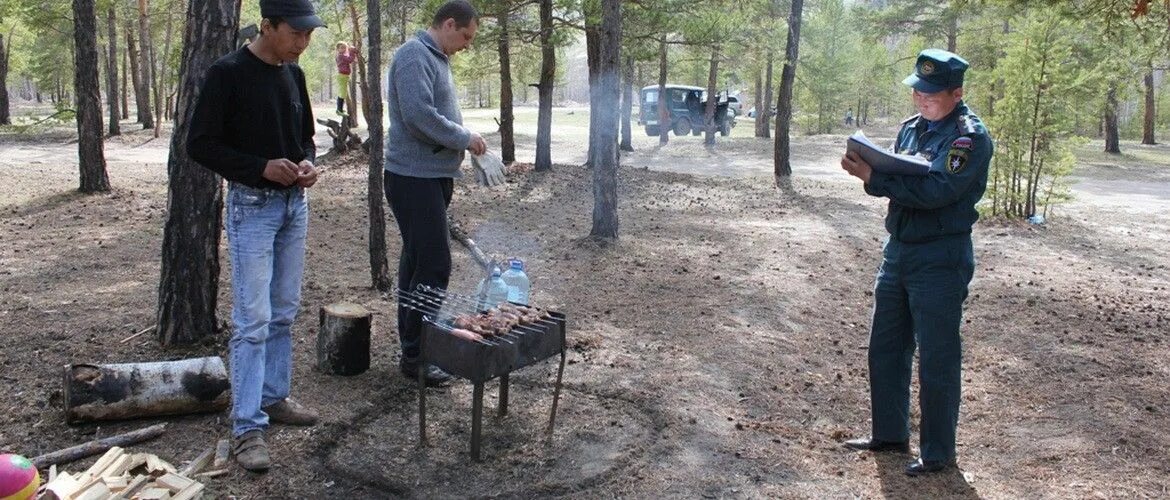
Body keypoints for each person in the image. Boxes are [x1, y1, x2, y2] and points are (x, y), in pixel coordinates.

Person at [839, 48, 993, 476]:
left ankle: (938, 452)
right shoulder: (912, 129)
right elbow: (895, 181)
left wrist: (875, 177)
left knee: (937, 356)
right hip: (899, 250)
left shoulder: (969, 138)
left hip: (941, 255)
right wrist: (872, 171)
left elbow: (938, 191)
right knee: (886, 345)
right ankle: (889, 434)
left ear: (956, 93)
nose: (921, 100)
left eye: (931, 93)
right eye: (917, 92)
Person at [186, 0, 326, 472]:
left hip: (293, 207)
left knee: (284, 311)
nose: (304, 43)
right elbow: (200, 144)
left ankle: (274, 397)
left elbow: (305, 137)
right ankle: (247, 426)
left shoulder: (295, 74)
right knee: (253, 319)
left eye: (309, 35)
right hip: (252, 208)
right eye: (297, 34)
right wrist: (259, 168)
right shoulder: (227, 74)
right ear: (268, 26)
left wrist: (307, 163)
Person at [384, 0, 502, 386]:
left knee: (417, 262)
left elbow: (438, 117)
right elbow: (419, 118)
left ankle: (411, 351)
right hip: (411, 178)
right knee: (435, 263)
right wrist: (466, 139)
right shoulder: (413, 55)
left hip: (431, 177)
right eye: (466, 35)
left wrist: (468, 149)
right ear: (449, 24)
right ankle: (419, 354)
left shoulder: (437, 58)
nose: (467, 44)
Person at [335, 41, 358, 116]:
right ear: (338, 49)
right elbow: (350, 59)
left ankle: (340, 109)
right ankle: (339, 110)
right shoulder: (340, 56)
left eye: (345, 47)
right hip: (342, 76)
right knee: (342, 93)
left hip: (343, 76)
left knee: (343, 93)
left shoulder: (342, 55)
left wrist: (351, 51)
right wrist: (352, 51)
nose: (344, 49)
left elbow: (349, 58)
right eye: (342, 48)